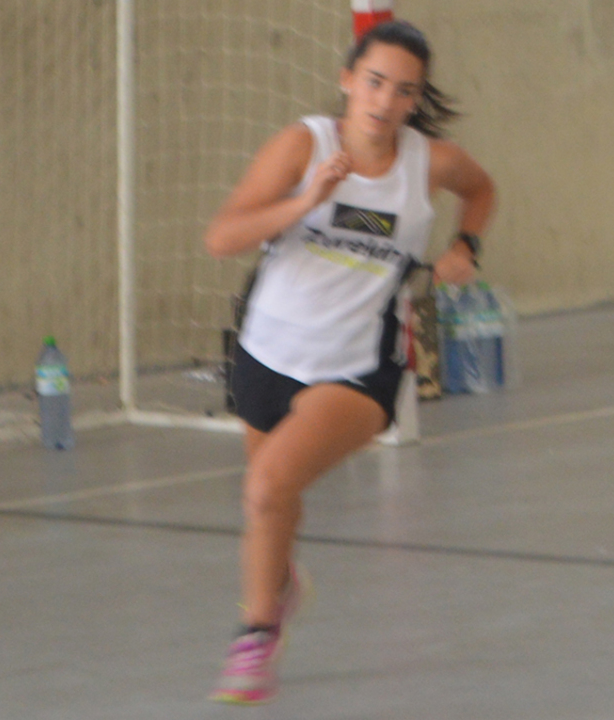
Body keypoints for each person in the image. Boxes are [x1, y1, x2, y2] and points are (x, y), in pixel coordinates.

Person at [201, 20, 496, 705]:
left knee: (266, 488)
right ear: (347, 79)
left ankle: (255, 634)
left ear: (416, 100)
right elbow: (222, 237)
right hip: (266, 353)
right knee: (274, 503)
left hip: (358, 366)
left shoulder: (430, 163)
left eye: (404, 91)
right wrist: (306, 200)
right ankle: (280, 584)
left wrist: (467, 248)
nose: (385, 101)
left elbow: (481, 191)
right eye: (374, 82)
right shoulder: (303, 145)